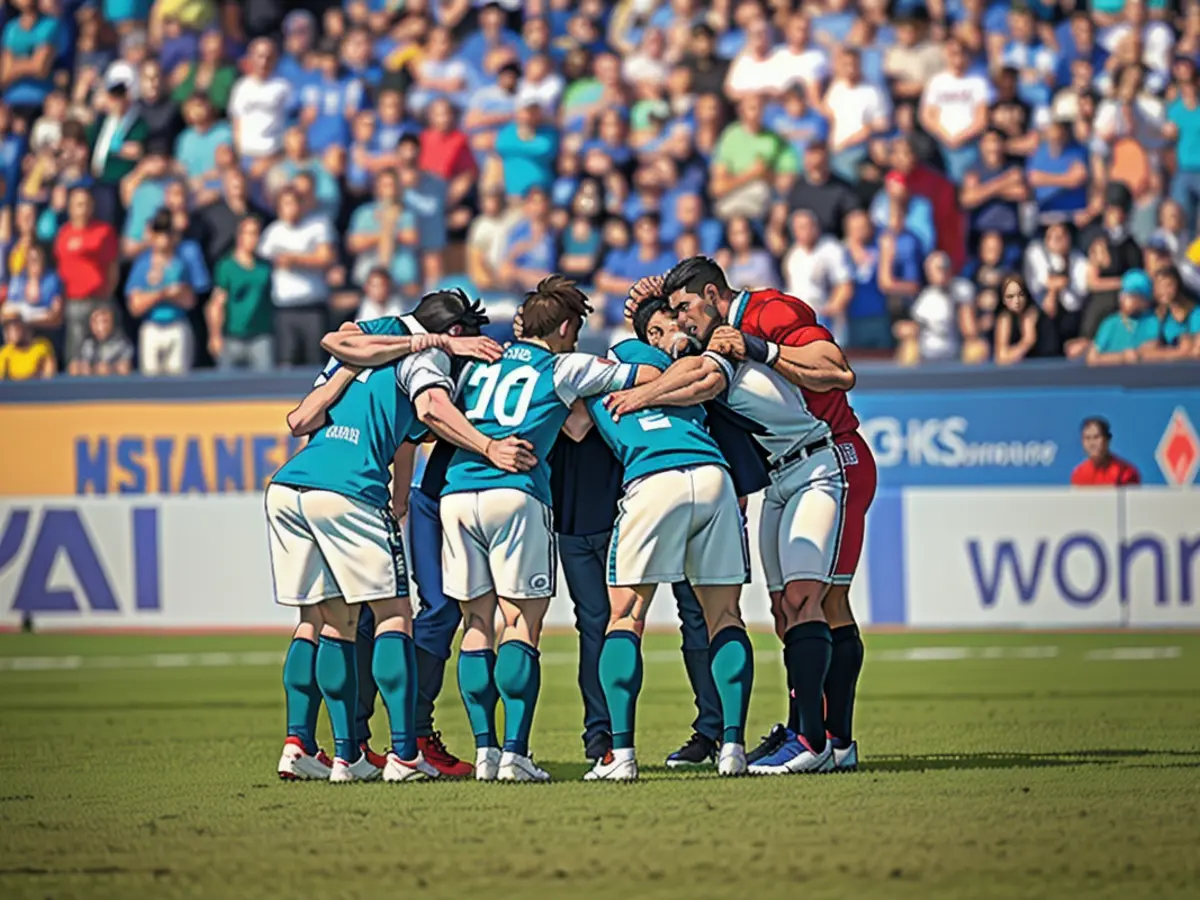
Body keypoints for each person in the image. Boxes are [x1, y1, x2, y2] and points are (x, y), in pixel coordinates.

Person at [615, 257, 875, 774]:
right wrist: (649, 316)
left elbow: (837, 372)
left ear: (713, 293)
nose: (683, 321)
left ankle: (810, 738)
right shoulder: (712, 338)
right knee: (793, 610)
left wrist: (762, 348)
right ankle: (834, 740)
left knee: (807, 599)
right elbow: (691, 367)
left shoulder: (768, 310)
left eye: (687, 307)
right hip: (781, 475)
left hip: (827, 458)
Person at [269, 291, 526, 783]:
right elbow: (430, 409)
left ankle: (319, 749)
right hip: (347, 488)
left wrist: (401, 497)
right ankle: (406, 755)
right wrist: (489, 447)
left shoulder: (356, 358)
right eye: (469, 341)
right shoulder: (424, 355)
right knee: (394, 617)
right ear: (453, 334)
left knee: (321, 623)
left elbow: (308, 420)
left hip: (290, 486)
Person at [439, 276, 658, 782]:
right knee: (521, 625)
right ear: (564, 327)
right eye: (574, 330)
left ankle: (484, 754)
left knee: (475, 625)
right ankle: (515, 753)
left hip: (457, 493)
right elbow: (639, 374)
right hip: (515, 494)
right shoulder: (563, 366)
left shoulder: (479, 362)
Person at [571, 301, 756, 781]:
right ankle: (733, 746)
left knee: (625, 617)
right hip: (713, 475)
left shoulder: (603, 367)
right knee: (726, 617)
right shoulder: (681, 370)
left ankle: (621, 755)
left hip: (653, 479)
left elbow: (572, 429)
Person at [206, 215, 274, 371]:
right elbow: (217, 302)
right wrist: (215, 335)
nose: (253, 238)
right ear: (239, 236)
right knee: (227, 389)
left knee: (264, 387)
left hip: (261, 336)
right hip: (232, 337)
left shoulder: (265, 267)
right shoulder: (226, 266)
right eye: (248, 233)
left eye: (256, 233)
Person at [1070, 417, 1141, 487]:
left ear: (1107, 440)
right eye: (1087, 438)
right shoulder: (1079, 473)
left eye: (1096, 437)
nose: (1092, 444)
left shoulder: (1124, 472)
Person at [69, 303, 133, 376]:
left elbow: (125, 368)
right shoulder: (86, 343)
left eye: (105, 321)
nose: (101, 327)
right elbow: (78, 365)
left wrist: (112, 369)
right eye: (96, 322)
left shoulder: (122, 344)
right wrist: (92, 369)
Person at [0, 305, 54, 379]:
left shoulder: (42, 346)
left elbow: (49, 379)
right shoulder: (5, 352)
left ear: (26, 324)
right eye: (7, 325)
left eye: (16, 322)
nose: (12, 328)